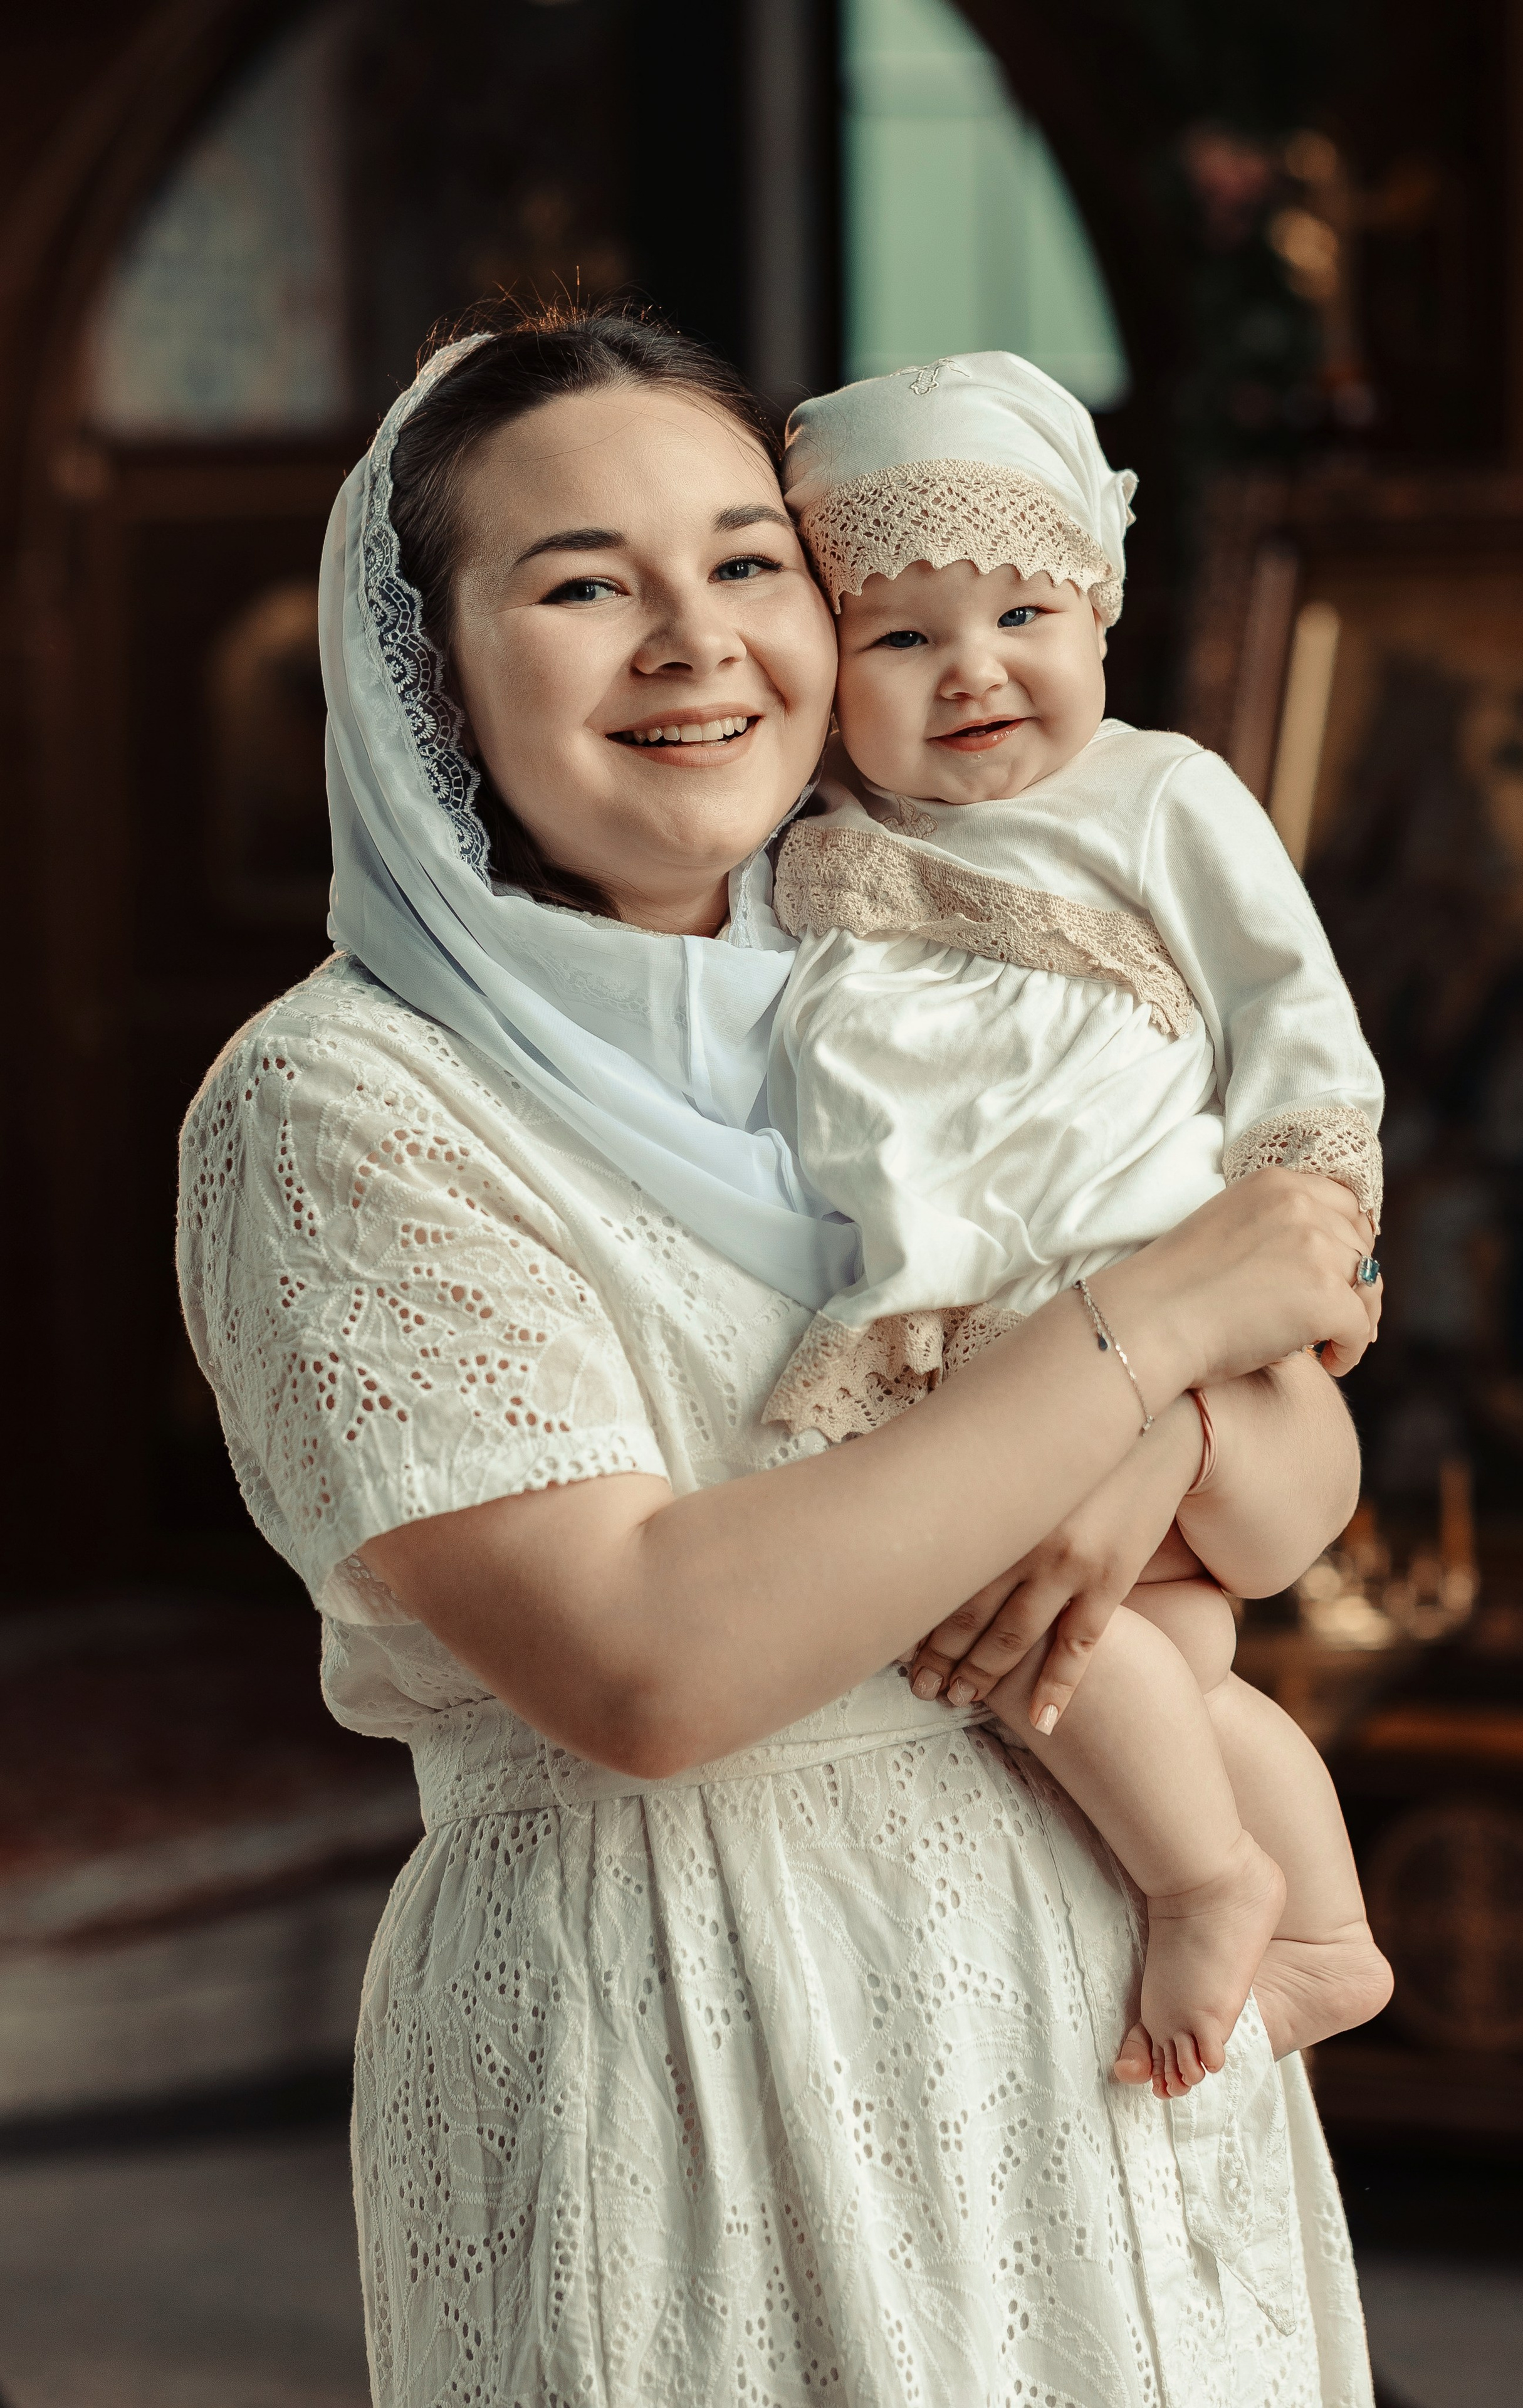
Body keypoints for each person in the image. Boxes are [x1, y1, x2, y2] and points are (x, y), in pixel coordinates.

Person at [178, 307, 1381, 2407]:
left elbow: (1281, 1514)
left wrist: (1152, 1423)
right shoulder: (342, 1102)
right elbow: (652, 1663)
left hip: (1104, 2051)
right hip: (695, 2056)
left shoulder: (924, 998)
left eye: (747, 563)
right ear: (421, 672)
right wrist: (1156, 1328)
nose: (692, 640)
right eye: (580, 584)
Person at [763, 352, 1395, 2096]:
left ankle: (1212, 1878)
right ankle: (1325, 1932)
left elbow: (1297, 1028)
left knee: (1035, 1623)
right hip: (963, 1336)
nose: (971, 669)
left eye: (1021, 610)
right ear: (826, 670)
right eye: (899, 639)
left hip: (1141, 1299)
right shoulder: (806, 852)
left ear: (1100, 608)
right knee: (1127, 1666)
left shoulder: (1161, 796)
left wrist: (1308, 1240)